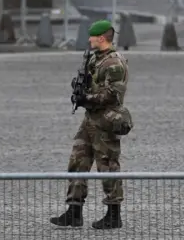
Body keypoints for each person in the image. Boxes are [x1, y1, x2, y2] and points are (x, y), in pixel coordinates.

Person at [50, 20, 133, 230]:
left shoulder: (114, 63)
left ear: (102, 38)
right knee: (78, 160)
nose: (89, 39)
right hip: (90, 119)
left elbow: (112, 95)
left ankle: (113, 214)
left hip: (106, 119)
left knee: (107, 165)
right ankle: (74, 211)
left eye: (92, 36)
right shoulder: (95, 59)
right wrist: (78, 87)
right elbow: (89, 83)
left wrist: (86, 97)